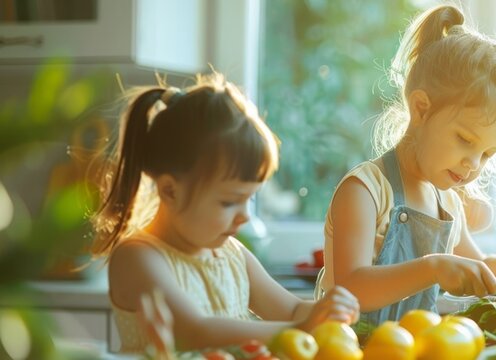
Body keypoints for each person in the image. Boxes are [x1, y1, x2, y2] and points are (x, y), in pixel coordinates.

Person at [316, 4, 496, 334]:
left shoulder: (447, 202)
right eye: (465, 140)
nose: (474, 164)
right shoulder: (364, 191)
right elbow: (351, 290)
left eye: (487, 154)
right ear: (421, 109)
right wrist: (433, 268)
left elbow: (476, 270)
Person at [90, 73, 359, 353]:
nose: (244, 216)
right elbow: (194, 331)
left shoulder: (233, 254)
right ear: (170, 191)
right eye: (230, 202)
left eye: (249, 199)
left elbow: (291, 310)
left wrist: (328, 312)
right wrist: (299, 329)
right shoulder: (138, 257)